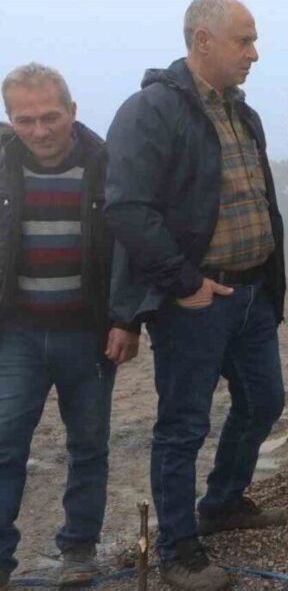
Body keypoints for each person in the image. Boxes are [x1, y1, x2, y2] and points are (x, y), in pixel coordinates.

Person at [106, 0, 287, 589]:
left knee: (264, 402)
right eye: (244, 41)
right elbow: (128, 209)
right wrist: (183, 282)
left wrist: (269, 281)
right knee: (183, 426)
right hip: (196, 303)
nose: (255, 53)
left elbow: (259, 199)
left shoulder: (242, 112)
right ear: (201, 40)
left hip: (251, 294)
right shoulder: (150, 110)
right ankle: (179, 552)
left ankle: (222, 504)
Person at [0, 63, 142, 587]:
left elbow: (130, 249)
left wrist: (127, 320)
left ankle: (79, 551)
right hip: (14, 335)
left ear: (73, 111)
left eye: (50, 116)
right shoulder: (1, 166)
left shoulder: (109, 166)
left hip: (89, 334)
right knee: (4, 445)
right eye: (25, 119)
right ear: (10, 118)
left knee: (88, 446)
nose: (40, 130)